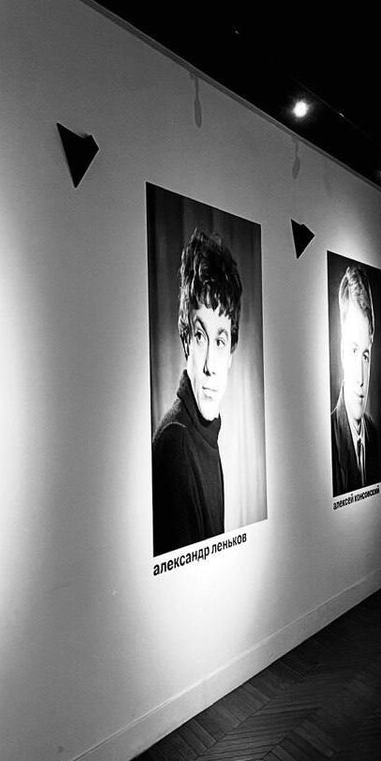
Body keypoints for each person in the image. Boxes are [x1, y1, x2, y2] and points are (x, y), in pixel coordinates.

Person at [152, 230, 242, 557]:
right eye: (201, 336)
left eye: (219, 341)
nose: (209, 366)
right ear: (186, 340)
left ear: (231, 352)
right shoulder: (176, 442)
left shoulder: (205, 433)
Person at [331, 265, 381, 495]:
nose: (362, 378)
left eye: (365, 355)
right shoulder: (330, 435)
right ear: (342, 352)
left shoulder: (374, 434)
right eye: (353, 351)